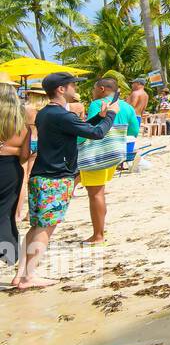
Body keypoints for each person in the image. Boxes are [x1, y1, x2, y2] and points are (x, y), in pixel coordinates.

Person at [18, 72, 118, 290]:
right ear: (61, 89)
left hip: (41, 175)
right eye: (72, 85)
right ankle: (28, 277)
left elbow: (76, 129)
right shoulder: (62, 115)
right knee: (46, 228)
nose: (76, 88)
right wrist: (110, 115)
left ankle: (21, 274)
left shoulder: (46, 113)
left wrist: (99, 117)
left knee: (37, 226)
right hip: (55, 178)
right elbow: (97, 134)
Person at [79, 77, 140, 246]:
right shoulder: (126, 106)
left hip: (96, 154)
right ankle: (101, 229)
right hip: (115, 154)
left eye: (94, 89)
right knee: (100, 192)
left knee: (95, 194)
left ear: (102, 89)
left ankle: (98, 235)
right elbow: (134, 130)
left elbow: (91, 129)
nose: (92, 92)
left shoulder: (97, 104)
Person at [0, 77, 34, 282]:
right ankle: (9, 253)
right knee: (5, 213)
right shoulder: (22, 126)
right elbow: (24, 155)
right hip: (10, 170)